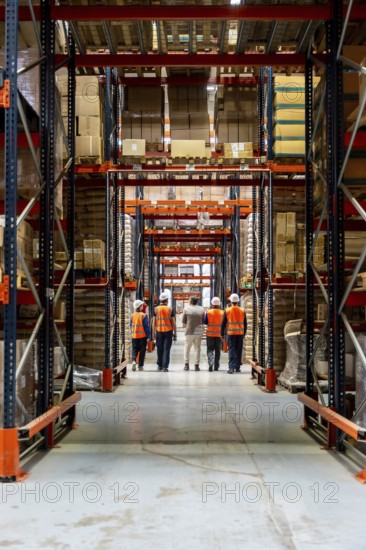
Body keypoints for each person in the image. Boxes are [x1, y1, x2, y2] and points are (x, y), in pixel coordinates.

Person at [221, 293, 247, 374]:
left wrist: (222, 333)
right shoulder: (242, 310)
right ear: (238, 301)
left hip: (231, 333)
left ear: (231, 301)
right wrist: (244, 333)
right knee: (239, 350)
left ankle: (231, 367)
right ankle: (237, 367)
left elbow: (223, 323)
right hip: (240, 333)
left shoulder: (227, 310)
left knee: (232, 350)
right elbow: (245, 323)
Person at [151, 291, 177, 372]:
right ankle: (165, 367)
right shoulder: (170, 309)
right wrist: (175, 333)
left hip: (159, 331)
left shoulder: (156, 309)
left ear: (160, 300)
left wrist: (153, 334)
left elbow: (153, 322)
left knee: (159, 349)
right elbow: (173, 322)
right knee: (166, 349)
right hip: (168, 332)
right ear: (167, 300)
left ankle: (159, 365)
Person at [182, 296, 204, 371]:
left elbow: (184, 321)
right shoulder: (201, 309)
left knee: (187, 347)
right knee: (197, 348)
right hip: (198, 330)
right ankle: (196, 365)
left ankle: (186, 365)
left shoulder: (186, 309)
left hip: (189, 330)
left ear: (190, 301)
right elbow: (203, 320)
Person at [204, 296, 224, 371]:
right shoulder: (223, 312)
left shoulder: (208, 312)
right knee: (218, 350)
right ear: (219, 304)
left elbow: (205, 322)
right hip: (219, 335)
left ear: (212, 304)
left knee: (210, 349)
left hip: (210, 335)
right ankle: (216, 366)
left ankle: (210, 364)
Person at [130, 299, 151, 371]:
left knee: (134, 349)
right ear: (139, 306)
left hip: (134, 336)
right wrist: (148, 336)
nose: (143, 306)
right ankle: (140, 366)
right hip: (142, 336)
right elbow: (146, 326)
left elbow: (131, 326)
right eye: (142, 305)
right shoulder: (143, 315)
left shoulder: (132, 316)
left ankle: (133, 361)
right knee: (142, 351)